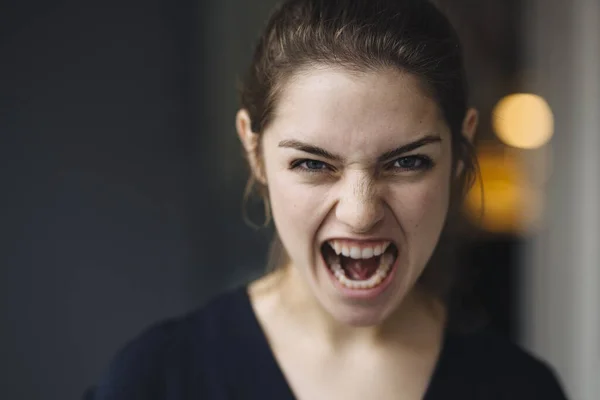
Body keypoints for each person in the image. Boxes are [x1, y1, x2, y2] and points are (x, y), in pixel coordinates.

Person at [87, 0, 569, 399]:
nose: (360, 214)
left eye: (406, 162)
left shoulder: (521, 389)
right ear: (254, 151)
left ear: (461, 148)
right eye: (313, 164)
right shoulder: (154, 381)